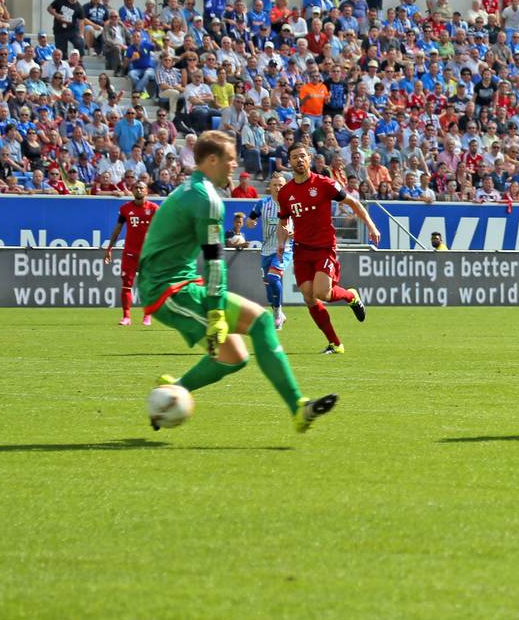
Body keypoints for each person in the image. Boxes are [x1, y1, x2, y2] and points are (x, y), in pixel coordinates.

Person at [136, 131, 338, 434]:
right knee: (246, 340)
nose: (234, 166)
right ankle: (295, 406)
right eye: (230, 160)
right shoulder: (206, 200)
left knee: (246, 343)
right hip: (167, 292)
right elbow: (216, 261)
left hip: (181, 283)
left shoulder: (193, 191)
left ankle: (296, 408)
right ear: (212, 160)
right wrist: (216, 314)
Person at [276, 144, 381, 354]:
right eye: (295, 157)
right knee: (308, 295)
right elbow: (284, 220)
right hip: (301, 250)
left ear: (309, 158)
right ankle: (335, 343)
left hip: (324, 247)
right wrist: (281, 241)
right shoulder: (286, 192)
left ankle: (351, 296)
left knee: (322, 292)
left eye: (302, 156)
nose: (299, 160)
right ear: (290, 161)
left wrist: (371, 225)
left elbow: (352, 202)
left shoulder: (323, 183)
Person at [103, 180, 157, 326]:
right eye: (136, 188)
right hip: (130, 252)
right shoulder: (125, 208)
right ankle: (126, 317)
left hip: (147, 254)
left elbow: (161, 231)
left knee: (147, 285)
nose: (139, 190)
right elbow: (118, 229)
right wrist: (109, 248)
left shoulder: (154, 209)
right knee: (126, 284)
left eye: (142, 188)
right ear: (132, 191)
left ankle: (147, 315)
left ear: (146, 191)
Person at [246, 174, 291, 330]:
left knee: (273, 277)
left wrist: (294, 233)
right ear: (270, 187)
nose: (278, 188)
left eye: (281, 185)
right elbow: (250, 220)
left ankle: (277, 314)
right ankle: (278, 312)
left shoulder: (292, 204)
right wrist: (251, 223)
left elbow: (301, 225)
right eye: (275, 185)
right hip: (266, 250)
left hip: (284, 249)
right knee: (268, 290)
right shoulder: (262, 204)